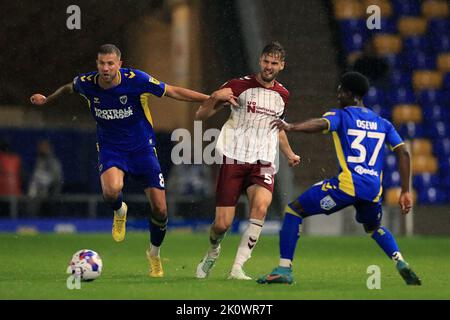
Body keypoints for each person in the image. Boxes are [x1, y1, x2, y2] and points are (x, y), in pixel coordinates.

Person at [30, 44, 209, 277]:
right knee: (112, 191)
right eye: (102, 63)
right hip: (111, 147)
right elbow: (68, 88)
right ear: (97, 64)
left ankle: (154, 254)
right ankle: (119, 211)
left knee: (161, 209)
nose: (106, 68)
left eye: (110, 63)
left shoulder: (137, 80)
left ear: (119, 64)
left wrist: (210, 98)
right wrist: (47, 98)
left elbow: (172, 91)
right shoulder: (86, 83)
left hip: (142, 148)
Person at [257, 71, 421, 286]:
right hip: (373, 190)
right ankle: (399, 260)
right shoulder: (383, 123)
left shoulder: (342, 116)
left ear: (349, 93)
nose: (338, 95)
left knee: (294, 210)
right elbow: (404, 152)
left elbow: (321, 124)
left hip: (346, 186)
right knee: (373, 227)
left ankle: (284, 269)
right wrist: (406, 190)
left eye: (340, 91)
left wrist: (291, 127)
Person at [195, 41, 301, 280]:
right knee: (222, 224)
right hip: (234, 157)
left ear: (281, 66)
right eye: (266, 61)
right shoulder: (237, 86)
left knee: (261, 207)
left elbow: (278, 128)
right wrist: (215, 97)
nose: (269, 66)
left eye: (274, 63)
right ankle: (213, 251)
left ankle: (237, 268)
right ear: (260, 60)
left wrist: (289, 154)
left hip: (263, 161)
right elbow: (200, 115)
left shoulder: (283, 95)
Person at [27, 140, 63, 216]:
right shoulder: (39, 160)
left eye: (43, 148)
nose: (40, 150)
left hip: (51, 197)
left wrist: (44, 182)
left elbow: (57, 178)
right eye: (40, 148)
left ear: (48, 149)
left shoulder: (53, 161)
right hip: (39, 198)